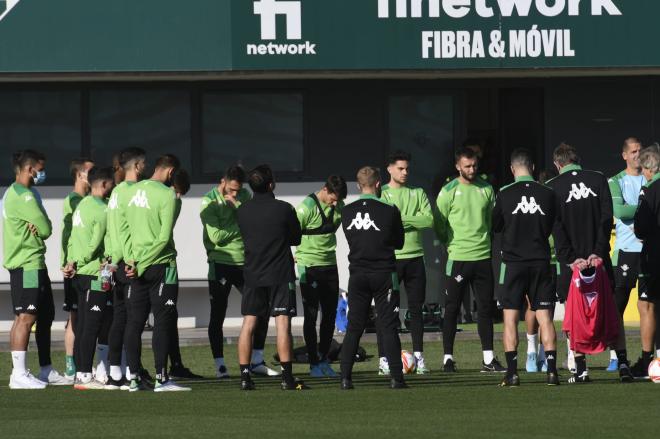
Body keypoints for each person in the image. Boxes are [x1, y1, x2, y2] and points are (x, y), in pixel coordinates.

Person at [547, 142, 632, 383]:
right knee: (612, 311)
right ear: (577, 159)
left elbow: (557, 226)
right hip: (600, 259)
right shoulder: (598, 179)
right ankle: (623, 363)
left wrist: (571, 258)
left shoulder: (553, 186)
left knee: (574, 314)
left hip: (572, 263)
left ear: (557, 164)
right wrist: (598, 251)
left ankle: (581, 368)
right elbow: (607, 218)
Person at [201, 165, 278, 379]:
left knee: (260, 309)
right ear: (223, 181)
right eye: (232, 189)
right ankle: (220, 365)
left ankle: (257, 360)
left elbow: (251, 219)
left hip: (246, 262)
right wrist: (241, 225)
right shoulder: (208, 201)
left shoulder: (244, 195)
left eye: (238, 190)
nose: (235, 194)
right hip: (221, 262)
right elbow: (216, 236)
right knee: (218, 314)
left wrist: (236, 207)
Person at [491, 149, 560, 386]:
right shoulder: (548, 193)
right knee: (545, 319)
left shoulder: (504, 193)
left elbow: (495, 225)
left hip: (512, 264)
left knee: (510, 319)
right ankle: (552, 372)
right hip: (541, 262)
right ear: (531, 168)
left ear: (512, 169)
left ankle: (512, 373)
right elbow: (552, 223)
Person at [124, 154, 190, 392]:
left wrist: (131, 261)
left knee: (134, 322)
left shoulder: (132, 191)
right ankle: (161, 379)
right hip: (161, 265)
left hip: (135, 266)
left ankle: (133, 378)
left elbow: (125, 230)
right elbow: (163, 238)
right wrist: (142, 265)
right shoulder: (167, 194)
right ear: (171, 172)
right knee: (163, 321)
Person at [435, 146, 504, 373]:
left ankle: (488, 359)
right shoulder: (448, 191)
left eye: (474, 165)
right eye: (467, 166)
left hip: (483, 256)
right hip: (458, 258)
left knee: (485, 309)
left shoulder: (486, 189)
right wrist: (450, 244)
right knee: (452, 308)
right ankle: (447, 358)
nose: (472, 169)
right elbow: (439, 223)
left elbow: (490, 220)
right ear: (458, 166)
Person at [236, 165, 304, 391]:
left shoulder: (242, 210)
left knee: (248, 324)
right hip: (280, 274)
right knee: (282, 324)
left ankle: (245, 378)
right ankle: (287, 378)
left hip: (253, 274)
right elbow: (296, 239)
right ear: (271, 184)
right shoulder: (284, 209)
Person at [3, 150, 67, 388]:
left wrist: (41, 225)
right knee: (26, 317)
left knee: (42, 316)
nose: (42, 173)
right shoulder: (23, 197)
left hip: (34, 264)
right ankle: (18, 374)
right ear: (30, 169)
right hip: (27, 264)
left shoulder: (24, 192)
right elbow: (46, 229)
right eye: (40, 169)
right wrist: (41, 225)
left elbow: (44, 226)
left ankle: (45, 369)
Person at [340, 166, 406, 390]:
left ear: (358, 186)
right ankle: (396, 378)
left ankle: (345, 378)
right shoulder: (390, 210)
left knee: (354, 327)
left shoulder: (346, 211)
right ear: (378, 183)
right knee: (388, 325)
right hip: (384, 274)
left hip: (357, 274)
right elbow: (399, 243)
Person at [377, 151, 433, 375]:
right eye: (400, 168)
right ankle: (384, 360)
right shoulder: (381, 194)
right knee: (388, 311)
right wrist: (409, 220)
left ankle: (419, 358)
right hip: (391, 260)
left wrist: (398, 219)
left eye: (407, 168)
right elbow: (382, 223)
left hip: (416, 258)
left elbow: (428, 220)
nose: (405, 172)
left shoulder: (417, 192)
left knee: (417, 310)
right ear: (389, 169)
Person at [65, 167, 115, 390]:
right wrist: (85, 260)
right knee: (92, 325)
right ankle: (84, 375)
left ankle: (81, 372)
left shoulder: (81, 204)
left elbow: (73, 238)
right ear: (104, 184)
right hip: (95, 272)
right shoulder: (103, 209)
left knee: (84, 324)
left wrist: (72, 261)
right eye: (111, 183)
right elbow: (95, 244)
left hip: (79, 274)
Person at [105, 147, 149, 390]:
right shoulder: (134, 191)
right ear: (138, 166)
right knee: (134, 321)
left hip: (115, 262)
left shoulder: (115, 192)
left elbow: (113, 230)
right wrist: (131, 260)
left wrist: (111, 261)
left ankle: (115, 375)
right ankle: (134, 374)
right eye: (144, 163)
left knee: (120, 318)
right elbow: (131, 230)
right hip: (129, 263)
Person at [295, 175, 347, 377]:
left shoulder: (339, 205)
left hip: (330, 265)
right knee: (310, 315)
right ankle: (313, 363)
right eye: (333, 199)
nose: (335, 203)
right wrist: (296, 257)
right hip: (309, 266)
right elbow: (290, 233)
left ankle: (324, 358)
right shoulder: (306, 207)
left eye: (338, 200)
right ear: (325, 189)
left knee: (330, 315)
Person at [608, 138, 651, 376]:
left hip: (648, 253)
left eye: (640, 151)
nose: (637, 154)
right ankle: (618, 357)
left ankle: (649, 359)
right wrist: (648, 206)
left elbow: (628, 209)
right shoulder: (616, 181)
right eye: (633, 151)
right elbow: (620, 211)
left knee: (648, 306)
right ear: (624, 155)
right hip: (625, 252)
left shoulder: (651, 178)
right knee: (618, 308)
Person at [60, 158, 94, 383]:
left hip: (84, 267)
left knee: (85, 317)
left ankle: (84, 363)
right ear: (80, 175)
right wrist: (69, 262)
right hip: (74, 267)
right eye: (91, 172)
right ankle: (71, 365)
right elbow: (70, 237)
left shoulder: (88, 201)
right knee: (75, 317)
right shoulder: (73, 201)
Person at [166, 168, 202, 380]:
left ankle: (175, 365)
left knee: (170, 315)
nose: (178, 197)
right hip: (156, 263)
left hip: (164, 263)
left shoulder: (173, 201)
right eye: (177, 191)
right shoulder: (165, 199)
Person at [633, 147, 660, 378]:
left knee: (647, 306)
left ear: (650, 168)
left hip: (653, 256)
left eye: (642, 168)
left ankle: (646, 359)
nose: (642, 173)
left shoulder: (650, 190)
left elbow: (640, 227)